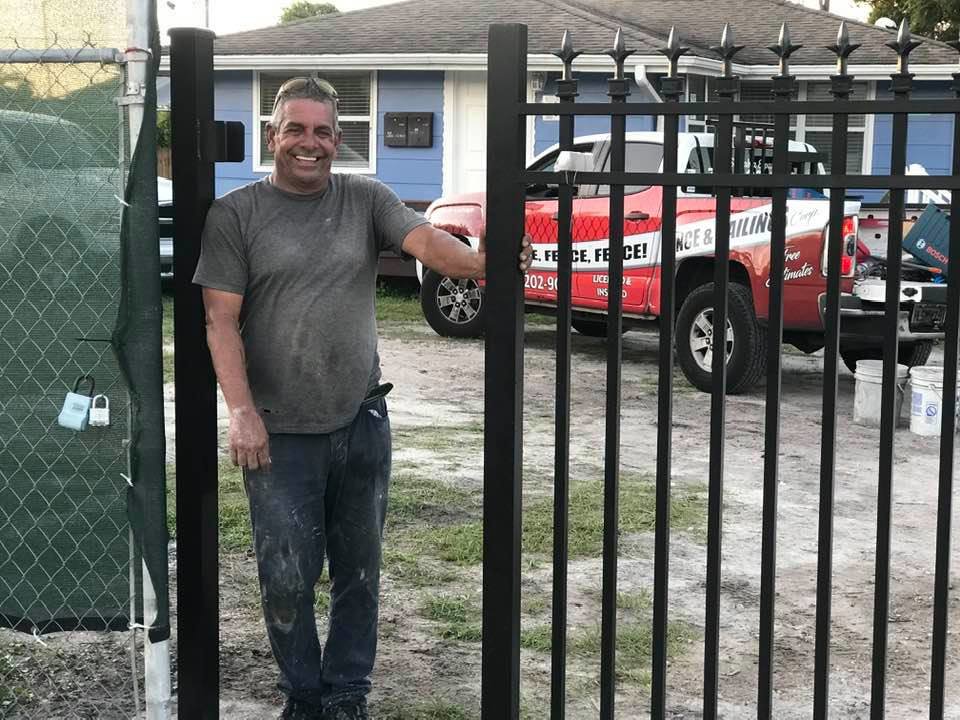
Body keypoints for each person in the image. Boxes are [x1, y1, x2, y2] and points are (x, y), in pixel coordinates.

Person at [193, 77, 531, 720]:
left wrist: (481, 261)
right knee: (286, 577)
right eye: (295, 129)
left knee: (358, 572)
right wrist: (240, 412)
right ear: (273, 135)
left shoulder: (365, 198)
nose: (309, 143)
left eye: (322, 132)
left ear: (338, 140)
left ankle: (347, 694)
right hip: (279, 432)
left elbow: (427, 244)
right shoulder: (236, 215)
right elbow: (220, 322)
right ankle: (303, 696)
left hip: (360, 420)